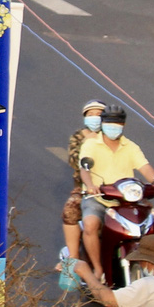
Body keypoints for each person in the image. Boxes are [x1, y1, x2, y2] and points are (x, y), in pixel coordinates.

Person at [76, 104, 154, 284]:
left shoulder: (130, 146)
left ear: (123, 125)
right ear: (103, 123)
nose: (113, 126)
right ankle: (98, 268)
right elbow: (84, 169)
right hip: (99, 199)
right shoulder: (91, 144)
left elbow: (144, 166)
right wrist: (90, 185)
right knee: (91, 224)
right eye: (110, 123)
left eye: (118, 123)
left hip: (126, 202)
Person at [60, 99, 108, 272]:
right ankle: (73, 256)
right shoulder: (78, 136)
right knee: (70, 210)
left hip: (113, 187)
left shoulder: (112, 136)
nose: (95, 118)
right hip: (85, 188)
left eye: (99, 114)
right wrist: (87, 142)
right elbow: (74, 161)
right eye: (91, 114)